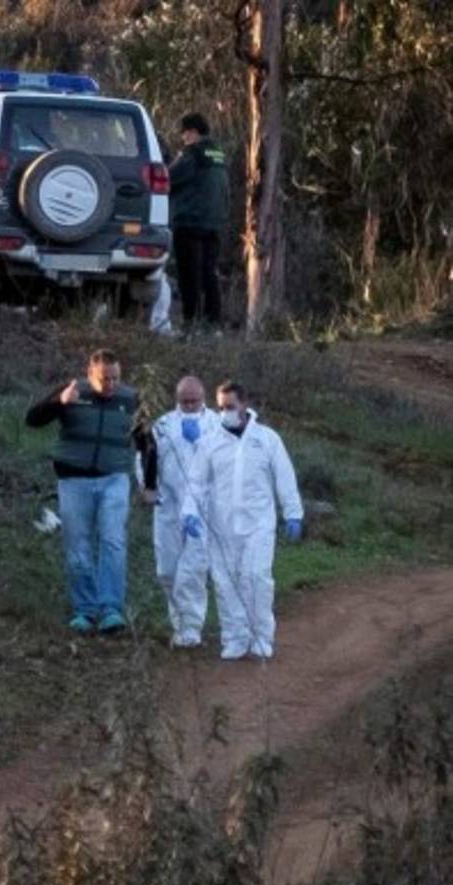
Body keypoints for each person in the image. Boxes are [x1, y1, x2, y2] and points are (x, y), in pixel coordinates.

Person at [26, 349, 146, 635]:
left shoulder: (131, 399)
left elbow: (146, 442)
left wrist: (150, 483)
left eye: (115, 378)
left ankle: (111, 609)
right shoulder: (72, 391)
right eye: (104, 379)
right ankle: (85, 610)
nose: (110, 384)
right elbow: (33, 419)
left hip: (114, 478)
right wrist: (59, 402)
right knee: (78, 545)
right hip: (74, 480)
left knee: (113, 541)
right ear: (90, 374)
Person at [206, 381, 303, 660]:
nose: (225, 412)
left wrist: (293, 513)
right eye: (220, 407)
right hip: (222, 525)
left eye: (230, 406)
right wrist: (191, 513)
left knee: (257, 577)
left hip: (259, 524)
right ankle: (235, 638)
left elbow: (284, 477)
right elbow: (198, 480)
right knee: (226, 582)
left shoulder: (267, 439)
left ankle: (261, 637)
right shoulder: (212, 440)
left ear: (244, 404)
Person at [142, 376, 220, 647]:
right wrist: (148, 487)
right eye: (184, 401)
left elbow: (225, 462)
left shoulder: (216, 425)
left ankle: (191, 629)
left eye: (193, 401)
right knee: (167, 570)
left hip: (203, 508)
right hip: (168, 505)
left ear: (203, 398)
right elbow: (145, 458)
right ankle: (179, 623)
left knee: (194, 570)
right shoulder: (163, 426)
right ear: (177, 399)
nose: (188, 406)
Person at [169, 112, 229, 330]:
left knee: (189, 276)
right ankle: (214, 324)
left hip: (190, 222)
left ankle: (190, 323)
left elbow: (169, 178)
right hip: (214, 223)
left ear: (193, 132)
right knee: (209, 275)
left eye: (184, 134)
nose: (183, 138)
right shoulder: (218, 154)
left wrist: (173, 160)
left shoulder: (192, 154)